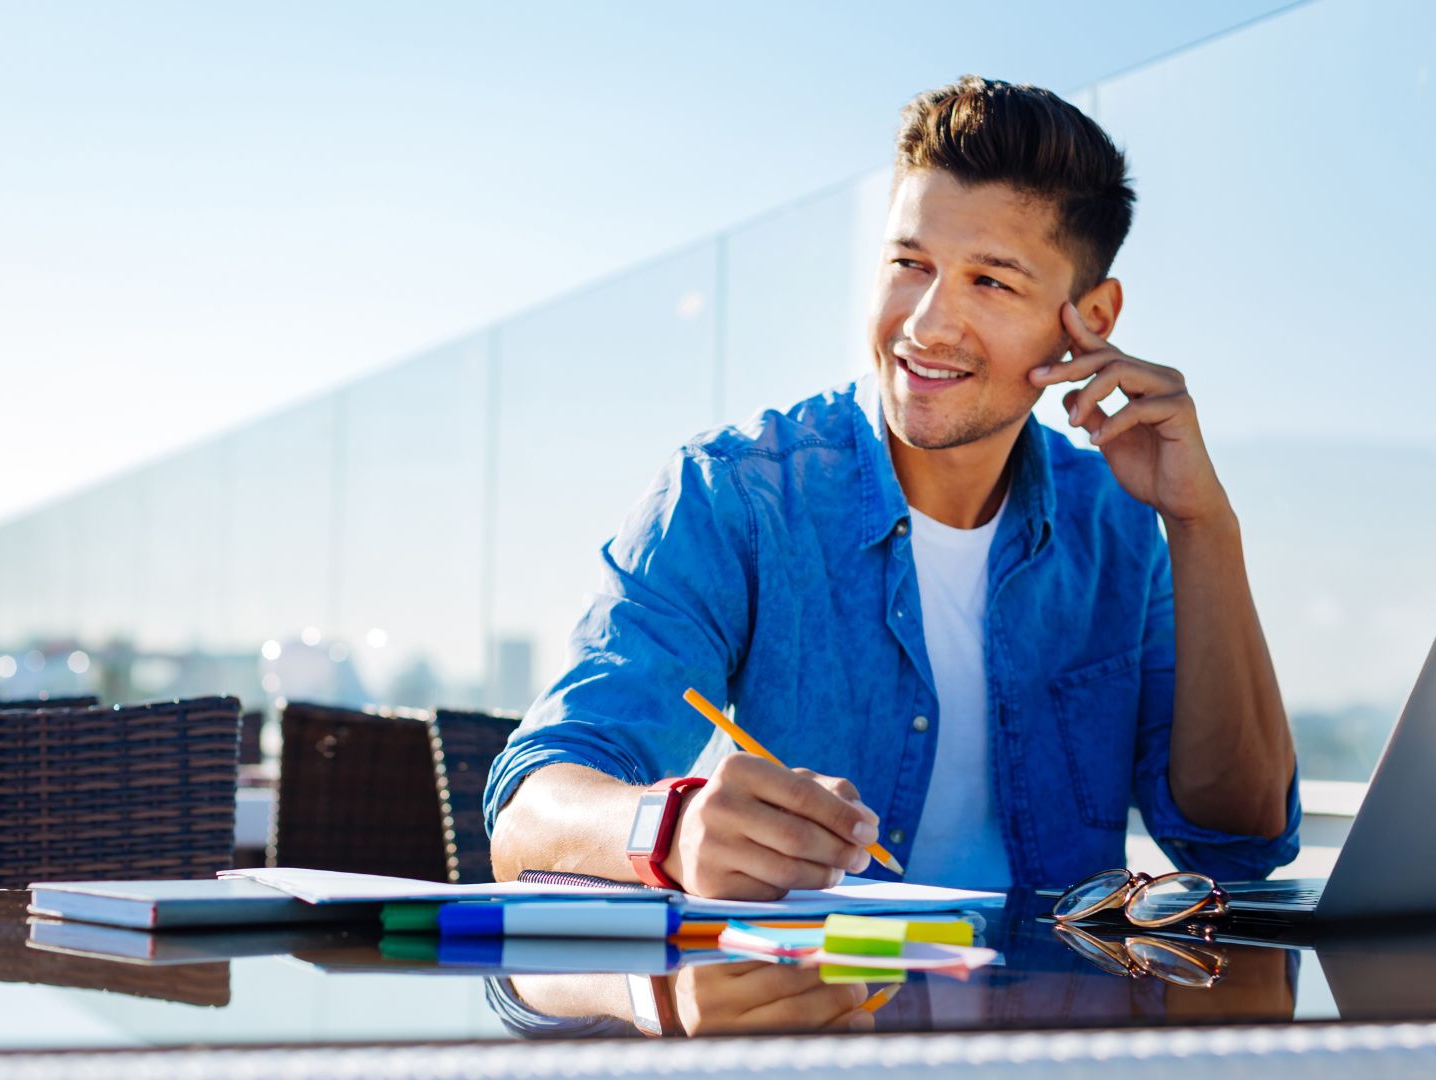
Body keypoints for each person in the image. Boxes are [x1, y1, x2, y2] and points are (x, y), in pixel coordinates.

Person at [484, 76, 1299, 899]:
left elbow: (1239, 841)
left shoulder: (1118, 525)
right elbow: (527, 815)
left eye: (991, 281)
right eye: (910, 264)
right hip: (813, 1013)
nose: (925, 324)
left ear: (1090, 315)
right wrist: (675, 829)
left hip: (1052, 1021)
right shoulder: (736, 496)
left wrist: (1202, 525)